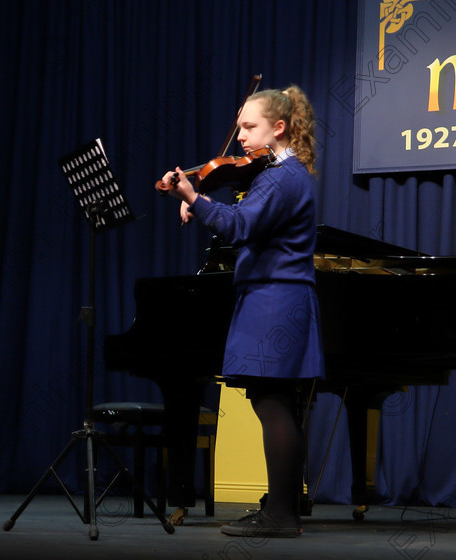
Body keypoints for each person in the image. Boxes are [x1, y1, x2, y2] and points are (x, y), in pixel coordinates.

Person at [157, 85, 324, 538]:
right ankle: (281, 509)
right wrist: (205, 203)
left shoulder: (281, 178)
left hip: (275, 299)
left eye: (250, 127)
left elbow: (241, 226)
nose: (242, 138)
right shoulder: (280, 176)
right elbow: (246, 218)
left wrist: (194, 197)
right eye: (241, 127)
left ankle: (282, 516)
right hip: (276, 297)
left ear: (280, 127)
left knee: (271, 403)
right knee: (275, 403)